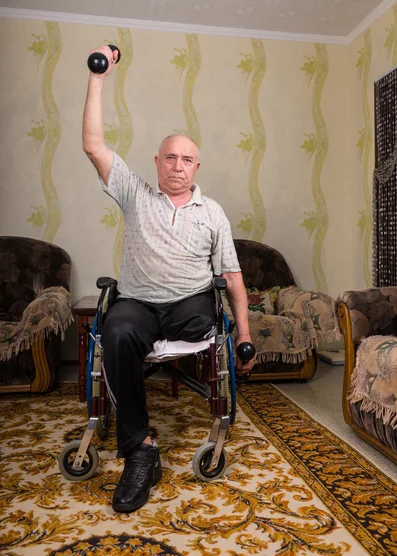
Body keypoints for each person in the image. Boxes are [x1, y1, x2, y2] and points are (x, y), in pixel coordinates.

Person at [82, 45, 256, 513]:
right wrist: (98, 77)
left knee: (203, 323)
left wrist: (243, 335)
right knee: (116, 332)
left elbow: (233, 278)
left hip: (189, 305)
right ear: (157, 162)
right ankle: (140, 450)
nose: (178, 166)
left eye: (187, 159)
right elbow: (94, 146)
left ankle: (158, 428)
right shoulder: (136, 195)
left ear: (196, 167)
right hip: (137, 303)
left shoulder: (212, 212)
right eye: (170, 157)